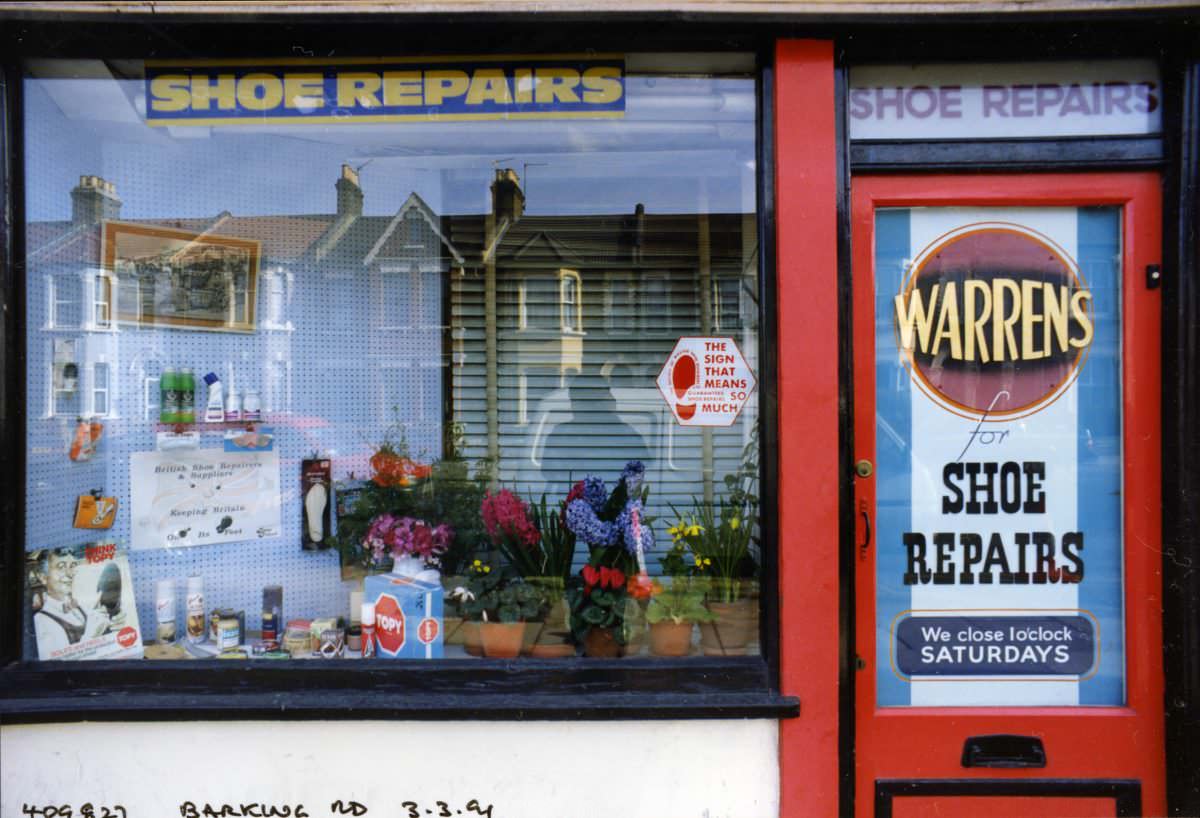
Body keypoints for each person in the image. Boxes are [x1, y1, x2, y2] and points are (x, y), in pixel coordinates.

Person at [32, 548, 108, 657]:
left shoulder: (79, 606)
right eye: (61, 567)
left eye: (72, 566)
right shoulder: (41, 621)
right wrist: (91, 637)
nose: (70, 573)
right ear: (43, 577)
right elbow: (58, 670)